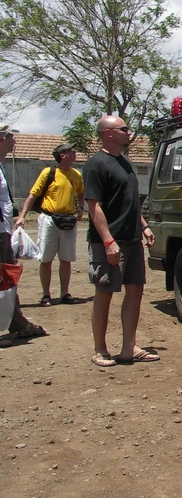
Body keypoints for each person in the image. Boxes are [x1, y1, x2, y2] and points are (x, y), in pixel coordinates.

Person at [83, 115, 159, 367]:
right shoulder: (96, 164)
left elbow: (129, 201)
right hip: (110, 241)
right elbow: (94, 206)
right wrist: (107, 241)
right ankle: (100, 350)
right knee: (105, 292)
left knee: (135, 290)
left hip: (132, 238)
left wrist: (144, 226)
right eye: (124, 128)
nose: (129, 132)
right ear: (107, 133)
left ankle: (129, 347)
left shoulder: (125, 162)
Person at [14, 142, 85, 306]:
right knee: (46, 258)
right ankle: (46, 294)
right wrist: (22, 216)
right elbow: (33, 195)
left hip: (68, 220)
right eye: (71, 151)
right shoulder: (49, 172)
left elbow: (81, 193)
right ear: (63, 155)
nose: (75, 153)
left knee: (66, 258)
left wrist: (81, 209)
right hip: (49, 219)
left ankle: (64, 293)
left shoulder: (76, 174)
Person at [0, 123, 47, 347]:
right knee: (4, 277)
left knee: (7, 276)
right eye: (10, 136)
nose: (14, 141)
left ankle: (17, 323)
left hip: (3, 231)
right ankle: (17, 324)